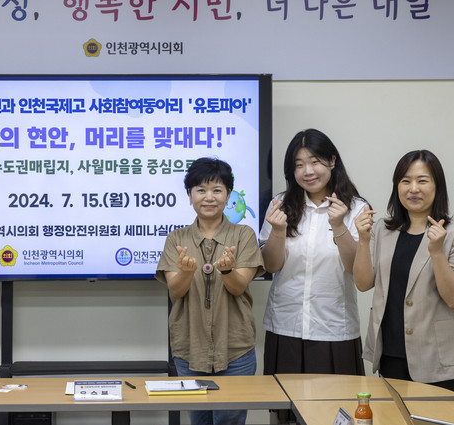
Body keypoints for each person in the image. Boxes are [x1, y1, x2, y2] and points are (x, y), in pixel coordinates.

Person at [354, 150, 454, 394]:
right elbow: (363, 283)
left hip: (437, 361)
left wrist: (437, 252)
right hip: (390, 354)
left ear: (437, 186)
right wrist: (363, 240)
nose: (413, 188)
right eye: (405, 181)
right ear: (396, 186)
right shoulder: (383, 230)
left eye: (422, 180)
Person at [156, 157, 264, 425]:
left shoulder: (244, 235)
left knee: (230, 420)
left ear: (228, 195)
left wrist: (227, 271)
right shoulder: (176, 238)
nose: (209, 197)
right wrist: (186, 272)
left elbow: (238, 287)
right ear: (189, 194)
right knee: (198, 419)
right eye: (201, 190)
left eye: (217, 190)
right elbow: (176, 291)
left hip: (236, 349)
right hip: (189, 350)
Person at [259, 128, 368, 376]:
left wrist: (339, 226)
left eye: (315, 161)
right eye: (299, 165)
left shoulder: (356, 208)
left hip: (334, 329)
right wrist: (278, 231)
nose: (307, 171)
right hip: (285, 326)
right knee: (283, 401)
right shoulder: (280, 205)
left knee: (335, 401)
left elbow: (357, 269)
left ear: (332, 161)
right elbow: (271, 266)